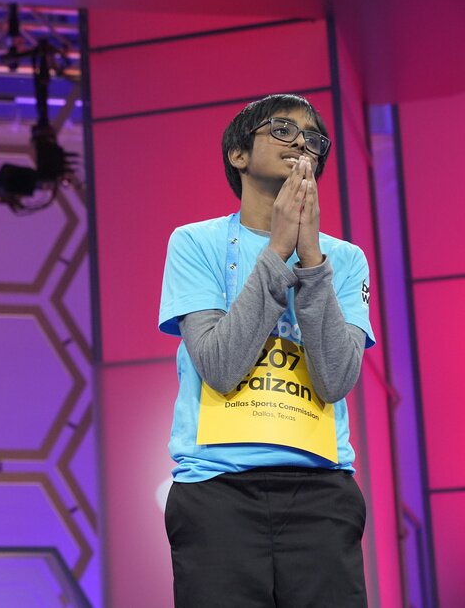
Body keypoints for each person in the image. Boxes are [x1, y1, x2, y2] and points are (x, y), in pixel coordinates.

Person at [158, 94, 375, 607]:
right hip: (216, 492)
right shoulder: (196, 243)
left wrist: (310, 258)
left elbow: (337, 379)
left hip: (322, 491)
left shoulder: (344, 259)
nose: (302, 142)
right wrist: (277, 250)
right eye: (281, 129)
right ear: (238, 154)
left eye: (313, 138)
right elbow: (220, 366)